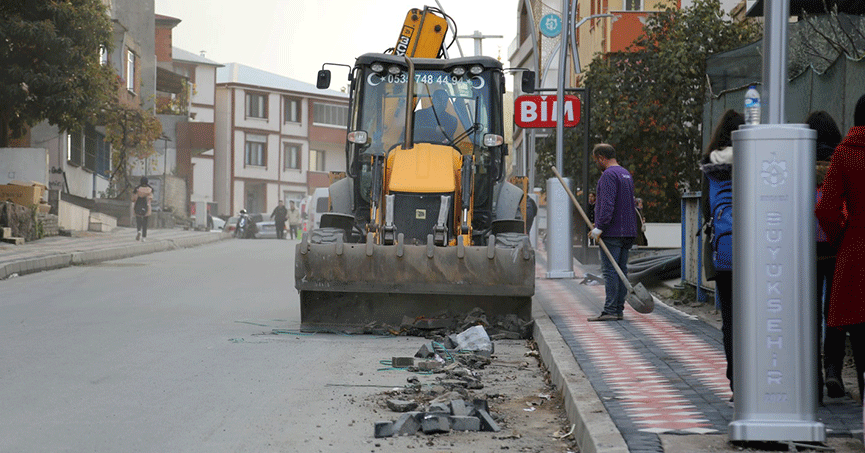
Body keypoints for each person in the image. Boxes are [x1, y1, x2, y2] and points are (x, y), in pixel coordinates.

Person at [815, 94, 865, 401]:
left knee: (856, 328)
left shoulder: (845, 154)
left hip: (853, 253)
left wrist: (842, 238)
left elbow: (826, 209)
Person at [701, 109, 744, 394]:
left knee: (729, 316)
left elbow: (707, 210)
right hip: (753, 252)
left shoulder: (710, 165)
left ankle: (734, 379)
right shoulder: (752, 159)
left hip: (724, 250)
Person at [806, 110, 846, 400]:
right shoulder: (840, 160)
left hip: (806, 247)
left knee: (809, 313)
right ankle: (834, 370)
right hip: (836, 244)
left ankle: (812, 376)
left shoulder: (800, 161)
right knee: (835, 311)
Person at [587, 144, 638, 322]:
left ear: (602, 158)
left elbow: (608, 204)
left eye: (596, 160)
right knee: (621, 270)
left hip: (613, 232)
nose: (596, 164)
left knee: (610, 271)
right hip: (628, 231)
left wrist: (599, 227)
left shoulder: (608, 175)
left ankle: (610, 310)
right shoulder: (625, 174)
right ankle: (618, 309)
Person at [131, 177, 153, 242]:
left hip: (138, 206)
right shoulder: (150, 189)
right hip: (146, 207)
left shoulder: (137, 189)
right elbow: (150, 198)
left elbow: (133, 198)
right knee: (145, 222)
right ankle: (144, 237)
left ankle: (139, 231)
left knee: (138, 220)